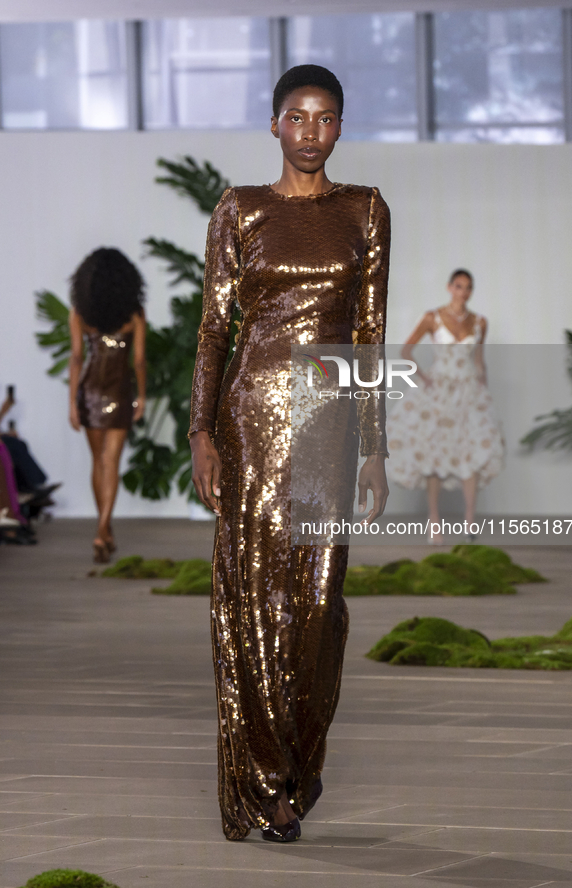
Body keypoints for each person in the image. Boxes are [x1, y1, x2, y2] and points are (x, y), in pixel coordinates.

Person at [189, 64, 390, 843]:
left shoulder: (365, 210)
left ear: (340, 127)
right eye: (297, 117)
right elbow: (214, 330)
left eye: (326, 118)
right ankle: (269, 784)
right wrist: (202, 433)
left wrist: (373, 445)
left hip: (328, 430)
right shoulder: (239, 210)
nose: (311, 131)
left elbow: (368, 332)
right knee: (249, 602)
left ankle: (300, 764)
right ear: (273, 125)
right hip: (246, 427)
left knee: (315, 607)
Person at [386, 269, 504, 543]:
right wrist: (424, 377)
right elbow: (406, 351)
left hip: (468, 390)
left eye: (468, 287)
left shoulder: (479, 322)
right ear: (450, 287)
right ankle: (434, 521)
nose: (463, 292)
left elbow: (478, 360)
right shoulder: (433, 317)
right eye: (459, 286)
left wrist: (482, 390)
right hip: (439, 389)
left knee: (472, 450)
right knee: (433, 454)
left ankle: (470, 522)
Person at [68, 247, 147, 563]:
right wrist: (142, 396)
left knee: (97, 461)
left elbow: (76, 359)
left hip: (90, 392)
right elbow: (139, 361)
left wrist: (73, 402)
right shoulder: (134, 315)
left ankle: (103, 530)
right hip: (119, 393)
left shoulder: (80, 313)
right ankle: (103, 530)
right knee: (111, 461)